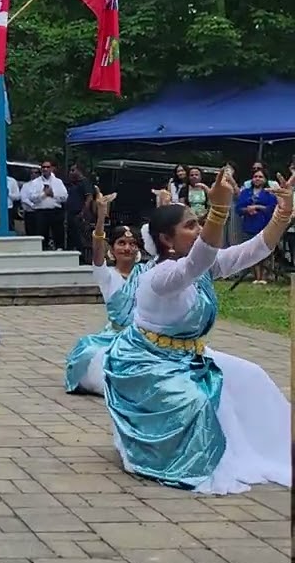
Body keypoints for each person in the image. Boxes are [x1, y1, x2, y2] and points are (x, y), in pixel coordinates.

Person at [104, 167, 292, 494]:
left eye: (199, 222)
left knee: (253, 375)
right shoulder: (159, 277)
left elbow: (253, 250)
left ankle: (276, 451)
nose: (200, 228)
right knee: (197, 402)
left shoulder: (202, 266)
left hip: (190, 356)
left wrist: (283, 212)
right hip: (147, 364)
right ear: (166, 239)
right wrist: (220, 209)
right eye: (190, 225)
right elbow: (196, 263)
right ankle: (170, 456)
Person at [64, 188, 143, 395]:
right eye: (122, 243)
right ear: (112, 249)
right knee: (94, 359)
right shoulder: (106, 275)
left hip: (145, 336)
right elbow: (97, 249)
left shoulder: (146, 273)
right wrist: (101, 216)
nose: (127, 248)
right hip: (116, 336)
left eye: (132, 244)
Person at [235, 169, 278, 284]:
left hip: (265, 225)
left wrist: (258, 207)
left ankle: (264, 276)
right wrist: (247, 209)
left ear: (265, 179)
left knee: (264, 251)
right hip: (250, 225)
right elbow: (238, 208)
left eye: (260, 177)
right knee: (252, 251)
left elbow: (272, 208)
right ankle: (256, 277)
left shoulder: (269, 193)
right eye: (255, 176)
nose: (257, 179)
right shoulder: (245, 192)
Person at [20, 160, 67, 250]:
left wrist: (53, 194)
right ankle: (43, 250)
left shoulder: (58, 182)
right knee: (41, 233)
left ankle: (59, 249)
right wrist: (44, 194)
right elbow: (32, 198)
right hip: (41, 211)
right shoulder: (35, 182)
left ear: (52, 168)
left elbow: (64, 197)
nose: (45, 169)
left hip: (55, 211)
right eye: (43, 167)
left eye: (47, 167)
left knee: (58, 232)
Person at [65, 163, 94, 254]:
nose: (71, 172)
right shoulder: (72, 183)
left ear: (79, 171)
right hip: (71, 213)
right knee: (71, 235)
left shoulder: (85, 182)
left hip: (79, 213)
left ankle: (82, 256)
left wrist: (83, 212)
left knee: (79, 236)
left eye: (73, 170)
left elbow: (89, 198)